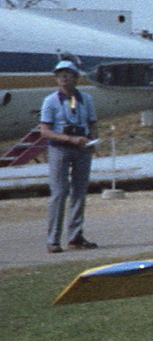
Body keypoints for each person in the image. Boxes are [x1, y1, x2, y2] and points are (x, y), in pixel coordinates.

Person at [38, 59, 98, 253]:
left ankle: (75, 236)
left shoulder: (85, 99)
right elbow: (45, 131)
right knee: (59, 192)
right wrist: (69, 139)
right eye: (60, 74)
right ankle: (53, 240)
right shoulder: (51, 101)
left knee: (79, 192)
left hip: (82, 148)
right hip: (60, 149)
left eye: (67, 74)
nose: (63, 78)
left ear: (76, 77)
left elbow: (92, 123)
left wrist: (93, 141)